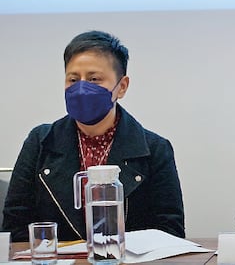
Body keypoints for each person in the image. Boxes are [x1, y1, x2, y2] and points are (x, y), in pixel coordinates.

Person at [2, 31, 185, 241]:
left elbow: (170, 231)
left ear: (122, 87)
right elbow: (14, 227)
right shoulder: (41, 141)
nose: (81, 88)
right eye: (73, 79)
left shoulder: (154, 149)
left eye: (94, 79)